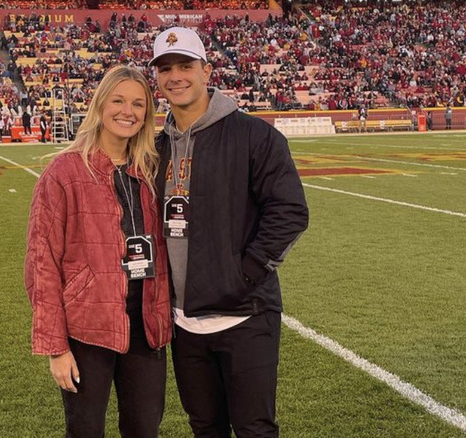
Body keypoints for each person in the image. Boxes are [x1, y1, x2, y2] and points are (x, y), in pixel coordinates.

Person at [149, 27, 309, 437]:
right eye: (165, 69)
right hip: (184, 321)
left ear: (206, 69)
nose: (176, 77)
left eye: (185, 65)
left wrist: (246, 274)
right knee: (205, 427)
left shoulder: (254, 135)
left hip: (245, 314)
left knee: (254, 428)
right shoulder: (155, 148)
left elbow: (289, 211)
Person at [24, 65, 172, 438]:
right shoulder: (64, 172)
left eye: (139, 104)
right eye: (118, 100)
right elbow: (42, 265)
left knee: (144, 429)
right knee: (86, 431)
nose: (128, 111)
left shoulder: (151, 170)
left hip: (145, 325)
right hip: (87, 328)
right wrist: (56, 348)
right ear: (100, 105)